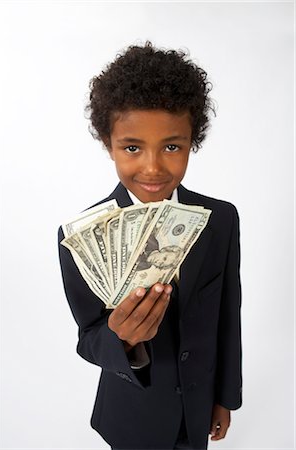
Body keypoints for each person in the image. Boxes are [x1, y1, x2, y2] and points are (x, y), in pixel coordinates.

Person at [58, 41, 242, 450]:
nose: (153, 167)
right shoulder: (79, 237)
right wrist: (121, 338)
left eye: (172, 146)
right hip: (131, 415)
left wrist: (225, 398)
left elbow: (228, 314)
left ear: (193, 141)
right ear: (109, 144)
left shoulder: (221, 219)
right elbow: (88, 337)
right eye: (132, 147)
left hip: (197, 409)